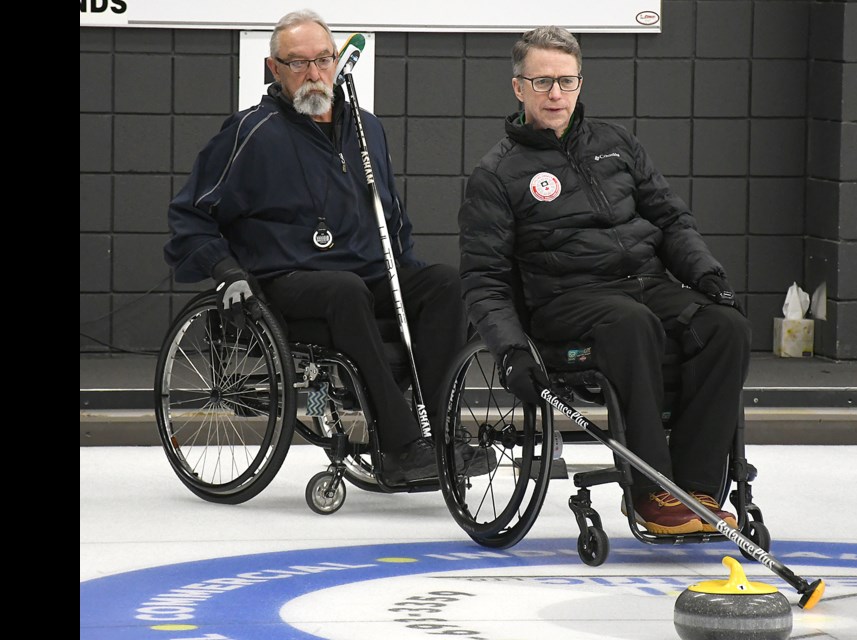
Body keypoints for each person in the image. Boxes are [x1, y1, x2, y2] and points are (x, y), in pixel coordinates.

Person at [165, 9, 482, 484]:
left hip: (365, 275)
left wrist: (407, 277)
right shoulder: (251, 131)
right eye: (298, 63)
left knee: (444, 284)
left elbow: (391, 217)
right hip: (288, 280)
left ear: (337, 62)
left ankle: (440, 434)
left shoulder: (367, 128)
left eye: (323, 60)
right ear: (274, 68)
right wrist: (225, 269)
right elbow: (191, 214)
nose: (314, 73)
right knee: (344, 289)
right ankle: (398, 448)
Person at [459, 26, 751, 534]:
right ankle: (652, 493)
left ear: (580, 83)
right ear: (518, 87)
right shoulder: (497, 174)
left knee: (726, 327)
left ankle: (699, 490)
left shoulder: (617, 144)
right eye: (543, 81)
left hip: (644, 284)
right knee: (631, 323)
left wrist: (706, 274)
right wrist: (509, 350)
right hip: (566, 301)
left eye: (566, 82)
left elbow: (670, 221)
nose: (556, 94)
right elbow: (483, 278)